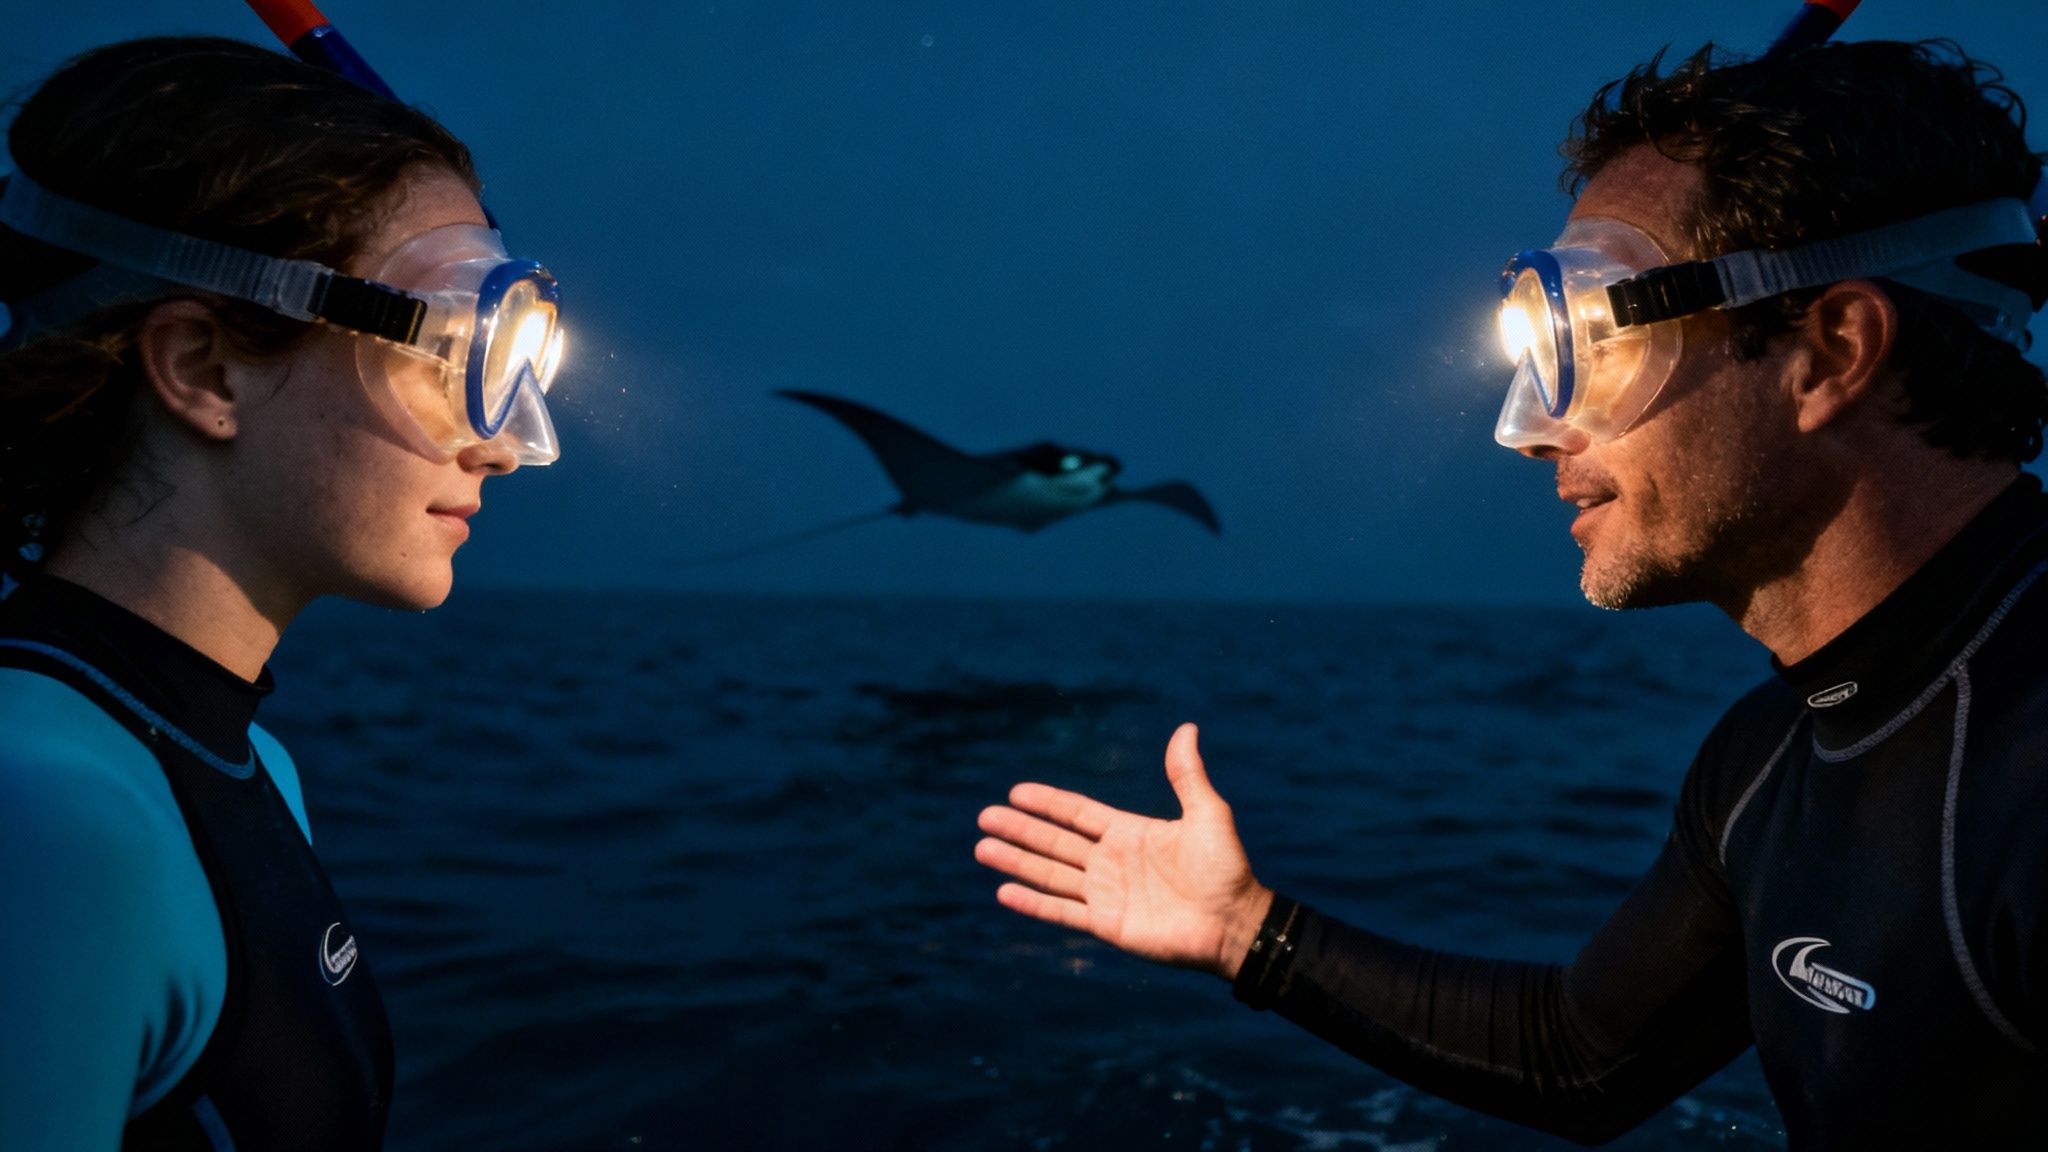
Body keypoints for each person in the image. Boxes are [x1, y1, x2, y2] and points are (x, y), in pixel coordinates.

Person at [975, 37, 2048, 1148]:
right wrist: (1246, 931)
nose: (1528, 431)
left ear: (1828, 352)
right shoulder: (1767, 758)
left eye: (1591, 337)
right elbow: (1579, 1056)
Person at [0, 36, 564, 1149]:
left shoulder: (246, 768)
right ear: (204, 370)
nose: (500, 449)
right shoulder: (52, 818)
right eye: (446, 355)